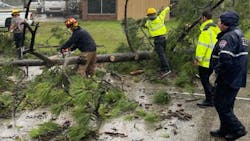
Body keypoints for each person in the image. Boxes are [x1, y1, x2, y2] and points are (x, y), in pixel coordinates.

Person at [210, 11, 248, 140]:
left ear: (226, 23)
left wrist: (217, 74)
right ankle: (224, 129)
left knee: (220, 104)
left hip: (228, 78)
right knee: (227, 104)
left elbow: (225, 59)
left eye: (220, 21)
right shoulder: (239, 35)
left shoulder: (228, 37)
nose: (218, 23)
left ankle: (238, 129)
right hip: (236, 77)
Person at [194, 10, 220, 108]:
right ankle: (214, 96)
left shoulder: (206, 31)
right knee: (209, 80)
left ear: (204, 18)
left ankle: (210, 100)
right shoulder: (215, 28)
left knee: (205, 80)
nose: (201, 20)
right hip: (214, 59)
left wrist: (197, 59)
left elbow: (202, 46)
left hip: (206, 61)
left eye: (201, 18)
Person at [144, 6, 171, 78]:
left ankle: (166, 69)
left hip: (157, 40)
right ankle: (163, 68)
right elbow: (164, 11)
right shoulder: (160, 18)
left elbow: (145, 25)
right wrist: (168, 7)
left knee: (161, 55)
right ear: (155, 14)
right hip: (164, 38)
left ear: (148, 16)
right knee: (163, 54)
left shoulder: (149, 23)